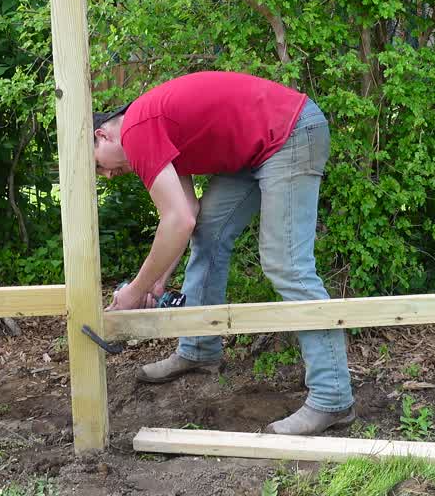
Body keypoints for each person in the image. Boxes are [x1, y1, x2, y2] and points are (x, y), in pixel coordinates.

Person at [92, 70, 355, 436]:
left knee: (287, 265)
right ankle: (199, 347)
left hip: (290, 133)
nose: (106, 175)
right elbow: (188, 216)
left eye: (98, 165)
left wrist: (135, 290)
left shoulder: (137, 129)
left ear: (101, 134)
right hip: (255, 151)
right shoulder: (148, 126)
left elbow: (177, 219)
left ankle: (332, 398)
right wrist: (155, 283)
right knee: (209, 233)